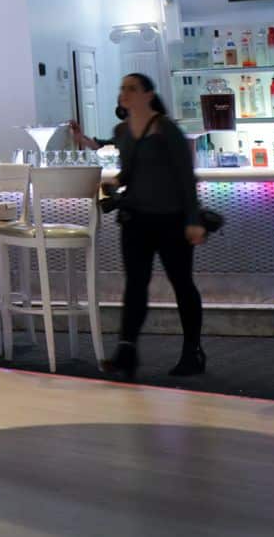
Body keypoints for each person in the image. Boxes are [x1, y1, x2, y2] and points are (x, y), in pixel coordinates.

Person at [71, 73, 206, 379]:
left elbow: (186, 176)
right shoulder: (122, 131)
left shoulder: (166, 129)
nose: (125, 93)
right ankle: (126, 351)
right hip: (136, 220)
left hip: (171, 219)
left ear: (148, 94)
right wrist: (112, 177)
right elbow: (127, 166)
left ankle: (192, 351)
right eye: (122, 89)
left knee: (182, 284)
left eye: (132, 88)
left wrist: (193, 220)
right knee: (135, 285)